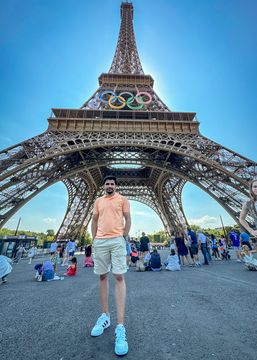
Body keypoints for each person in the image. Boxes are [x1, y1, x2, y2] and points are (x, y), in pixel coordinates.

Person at [90, 175, 131, 356]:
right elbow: (94, 220)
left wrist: (123, 236)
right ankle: (105, 316)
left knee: (119, 276)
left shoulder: (122, 199)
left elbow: (127, 219)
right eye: (107, 183)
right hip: (101, 241)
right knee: (102, 276)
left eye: (112, 183)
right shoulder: (98, 201)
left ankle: (120, 326)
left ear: (116, 185)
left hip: (116, 240)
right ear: (103, 186)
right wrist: (94, 238)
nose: (109, 185)